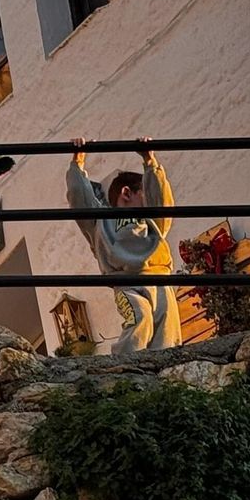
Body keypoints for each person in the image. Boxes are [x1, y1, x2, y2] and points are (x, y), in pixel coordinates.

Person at [66, 136, 181, 352]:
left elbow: (162, 200)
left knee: (167, 334)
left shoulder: (153, 222)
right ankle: (124, 367)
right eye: (143, 194)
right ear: (126, 193)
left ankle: (166, 377)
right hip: (128, 285)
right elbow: (79, 199)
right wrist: (77, 163)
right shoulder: (100, 222)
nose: (149, 201)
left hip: (161, 281)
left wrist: (150, 161)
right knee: (140, 319)